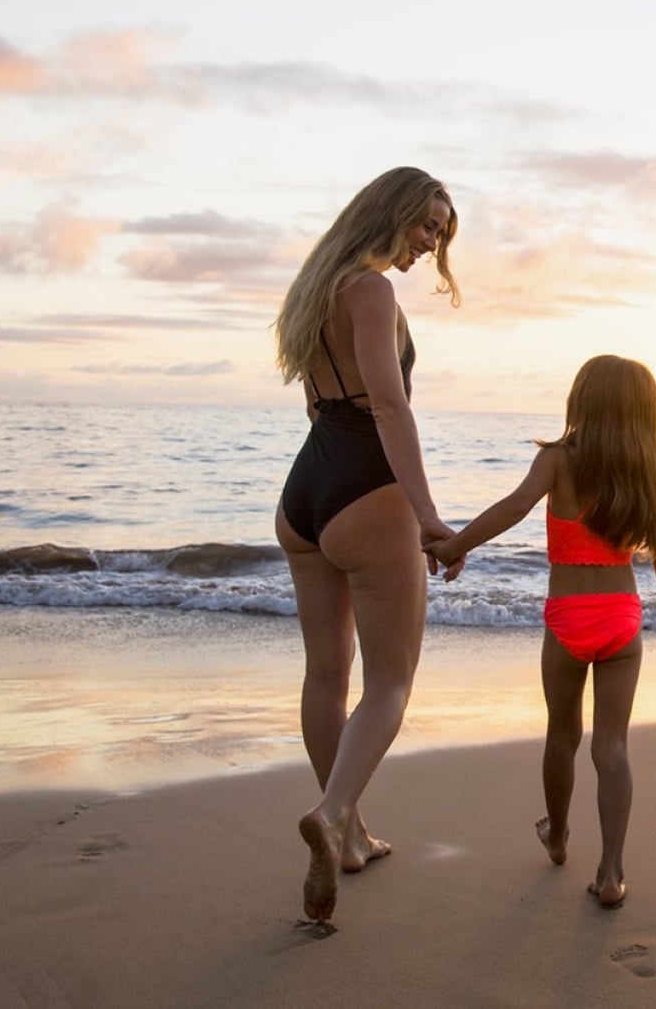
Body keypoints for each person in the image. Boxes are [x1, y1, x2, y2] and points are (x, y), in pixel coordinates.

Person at [273, 166, 463, 924]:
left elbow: (328, 402)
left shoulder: (316, 286)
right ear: (393, 212)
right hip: (367, 489)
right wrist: (426, 516)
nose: (430, 244)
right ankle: (331, 815)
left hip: (305, 494)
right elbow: (387, 405)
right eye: (427, 225)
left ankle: (347, 834)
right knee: (390, 680)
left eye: (441, 234)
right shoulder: (373, 291)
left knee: (326, 673)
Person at [428, 354, 656, 909]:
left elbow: (516, 506)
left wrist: (454, 545)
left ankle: (559, 838)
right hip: (621, 619)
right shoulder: (649, 469)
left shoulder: (557, 460)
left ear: (581, 400)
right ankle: (612, 871)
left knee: (562, 736)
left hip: (567, 617)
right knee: (612, 745)